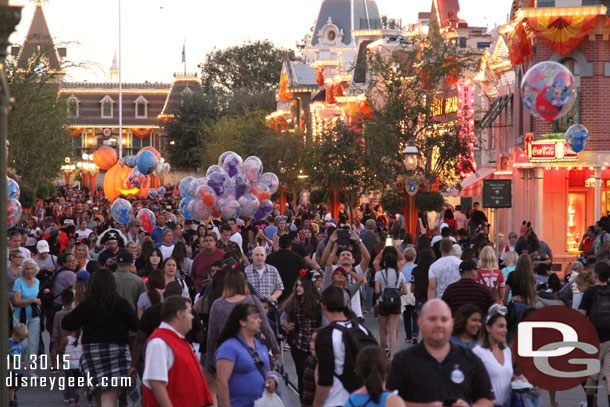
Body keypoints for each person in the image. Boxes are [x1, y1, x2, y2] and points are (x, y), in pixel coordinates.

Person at [387, 299, 493, 406]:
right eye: (432, 319)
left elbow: (487, 399)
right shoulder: (402, 361)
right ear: (420, 322)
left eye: (444, 319)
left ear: (452, 323)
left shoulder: (470, 359)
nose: (439, 324)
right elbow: (387, 401)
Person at [62, 268, 139, 407]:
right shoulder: (120, 303)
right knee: (110, 396)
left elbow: (67, 323)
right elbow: (135, 325)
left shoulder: (88, 304)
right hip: (118, 351)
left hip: (93, 353)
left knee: (100, 396)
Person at [142, 295, 213, 407]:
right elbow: (156, 383)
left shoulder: (178, 341)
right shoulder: (159, 343)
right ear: (179, 315)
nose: (193, 317)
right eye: (190, 312)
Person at [206, 266, 280, 373]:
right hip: (251, 350)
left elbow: (212, 334)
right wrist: (275, 349)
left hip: (226, 353)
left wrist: (210, 361)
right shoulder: (253, 300)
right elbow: (265, 326)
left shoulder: (217, 304)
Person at [216, 303, 278, 407]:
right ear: (242, 322)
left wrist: (272, 380)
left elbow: (268, 371)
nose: (260, 320)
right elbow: (221, 382)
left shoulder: (261, 344)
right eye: (255, 318)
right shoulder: (229, 347)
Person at [281, 276, 322, 399]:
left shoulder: (317, 303)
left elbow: (324, 322)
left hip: (316, 345)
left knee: (316, 374)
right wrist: (287, 324)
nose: (298, 288)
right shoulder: (293, 302)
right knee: (302, 374)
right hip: (298, 344)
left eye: (301, 286)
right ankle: (303, 400)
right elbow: (282, 319)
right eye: (297, 285)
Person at [579, 262, 610, 407]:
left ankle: (591, 403)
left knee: (592, 376)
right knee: (609, 376)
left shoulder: (589, 293)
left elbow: (580, 316)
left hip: (594, 339)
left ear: (595, 275)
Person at [473, 304, 513, 407]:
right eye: (500, 326)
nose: (505, 330)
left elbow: (504, 375)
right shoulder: (478, 352)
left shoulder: (507, 351)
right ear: (488, 328)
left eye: (505, 326)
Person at [374, 247, 407, 359]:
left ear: (384, 262)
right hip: (396, 304)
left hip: (383, 303)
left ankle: (382, 353)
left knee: (383, 331)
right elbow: (405, 291)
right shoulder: (400, 275)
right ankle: (392, 356)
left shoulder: (379, 274)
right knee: (393, 331)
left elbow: (377, 291)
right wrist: (398, 293)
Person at [12, 258, 41, 365]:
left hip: (34, 314)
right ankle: (20, 365)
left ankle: (32, 369)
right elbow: (17, 301)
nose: (29, 271)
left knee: (33, 343)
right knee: (23, 343)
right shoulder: (18, 282)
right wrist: (32, 300)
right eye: (27, 268)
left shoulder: (37, 282)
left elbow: (39, 299)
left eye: (32, 268)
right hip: (20, 315)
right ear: (23, 270)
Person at [268, 234, 308, 304]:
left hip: (274, 294)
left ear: (279, 245)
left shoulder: (269, 258)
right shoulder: (298, 259)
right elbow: (305, 276)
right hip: (292, 294)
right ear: (290, 245)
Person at [8, 323, 28, 407]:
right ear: (14, 335)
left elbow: (21, 353)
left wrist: (22, 361)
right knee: (12, 385)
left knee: (20, 382)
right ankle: (12, 401)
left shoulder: (20, 344)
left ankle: (12, 394)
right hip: (12, 369)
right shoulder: (8, 343)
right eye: (20, 339)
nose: (21, 341)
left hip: (18, 367)